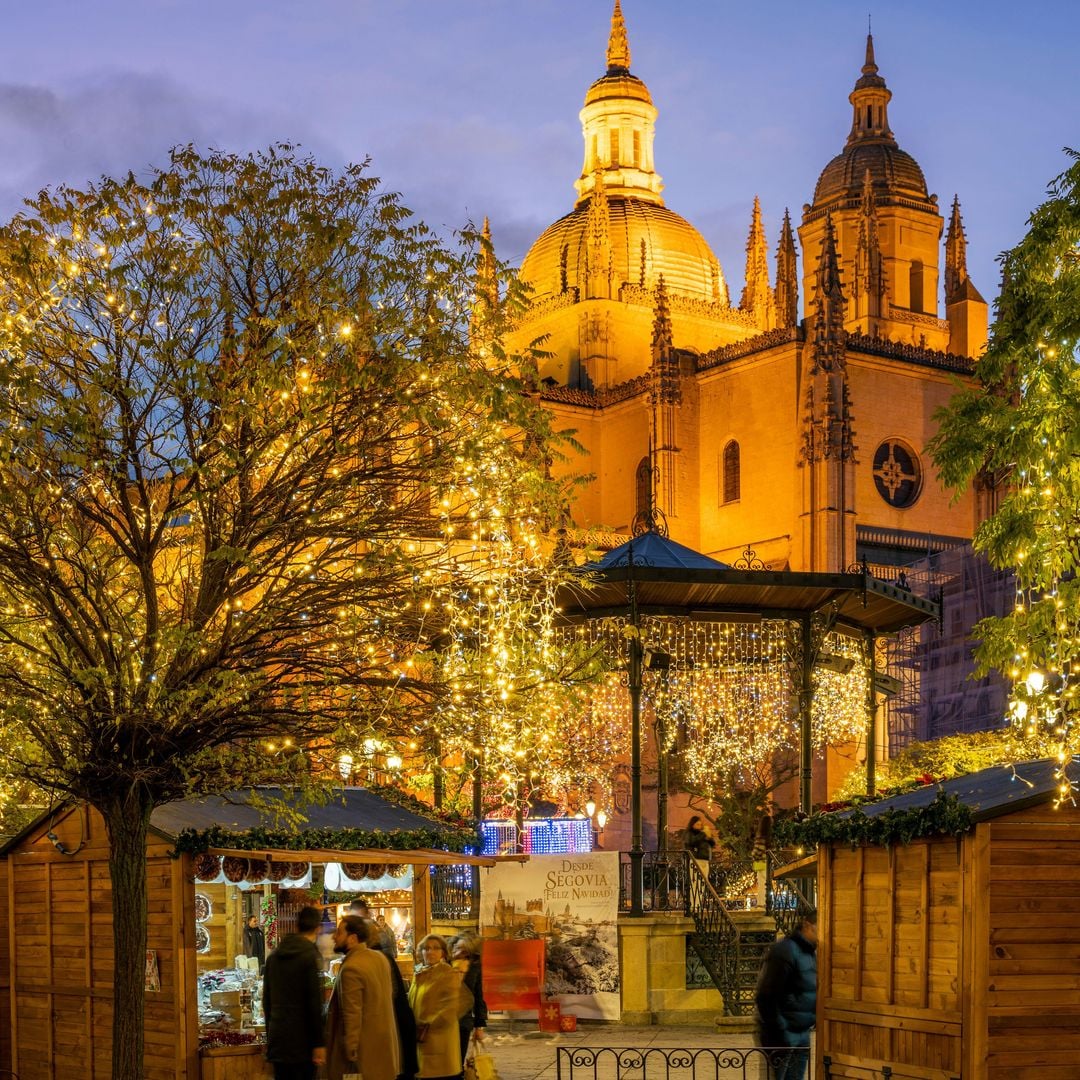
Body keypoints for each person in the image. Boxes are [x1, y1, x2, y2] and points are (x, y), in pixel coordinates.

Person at [325, 915, 401, 1080]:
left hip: (363, 1057)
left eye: (339, 933)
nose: (334, 936)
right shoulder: (380, 959)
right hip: (384, 1049)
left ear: (352, 939)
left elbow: (352, 1013)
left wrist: (350, 1049)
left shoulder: (351, 968)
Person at [262, 905, 327, 1080]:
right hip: (303, 1042)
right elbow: (314, 1003)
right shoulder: (309, 957)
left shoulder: (273, 957)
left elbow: (266, 1001)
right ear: (317, 929)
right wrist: (318, 1043)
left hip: (279, 1039)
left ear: (297, 927)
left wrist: (271, 1035)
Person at [754, 910, 819, 1080]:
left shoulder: (811, 952)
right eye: (819, 928)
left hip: (801, 1030)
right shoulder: (785, 950)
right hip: (782, 1033)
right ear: (807, 925)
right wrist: (780, 1029)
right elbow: (766, 995)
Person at [408, 933, 472, 1080]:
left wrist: (430, 1024)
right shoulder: (419, 973)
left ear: (443, 952)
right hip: (422, 1040)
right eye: (426, 948)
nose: (430, 952)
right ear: (420, 951)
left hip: (439, 1042)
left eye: (436, 948)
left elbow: (456, 1004)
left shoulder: (447, 973)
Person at [449, 934, 488, 1068]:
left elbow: (478, 996)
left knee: (457, 1062)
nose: (459, 953)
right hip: (443, 1022)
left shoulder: (474, 968)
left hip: (463, 1022)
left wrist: (479, 1026)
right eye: (457, 948)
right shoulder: (444, 965)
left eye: (464, 951)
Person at [684, 815, 716, 879]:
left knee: (704, 881)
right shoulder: (690, 833)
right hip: (696, 860)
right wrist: (703, 834)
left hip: (705, 860)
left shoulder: (702, 834)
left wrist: (709, 837)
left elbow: (712, 844)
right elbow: (692, 842)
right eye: (698, 824)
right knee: (696, 882)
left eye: (700, 824)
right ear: (693, 824)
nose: (700, 826)